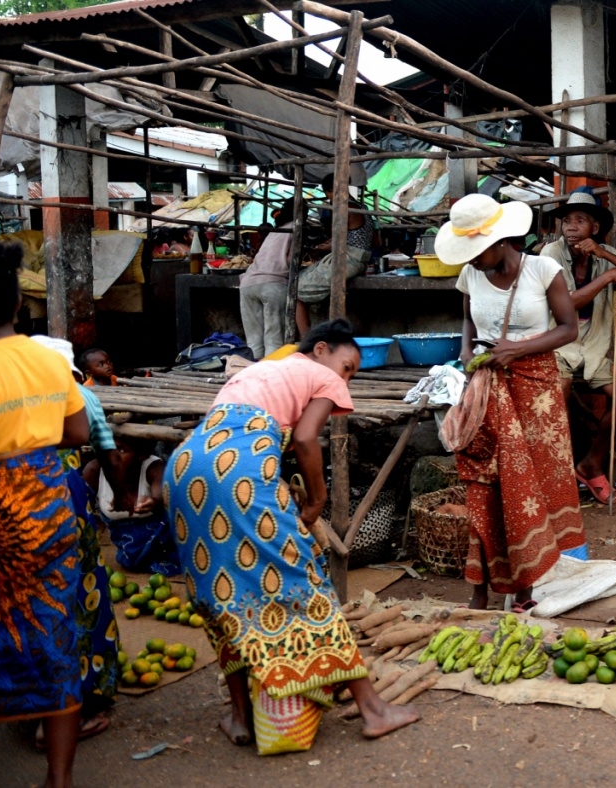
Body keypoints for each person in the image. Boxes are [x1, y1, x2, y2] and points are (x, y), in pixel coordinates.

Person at [164, 319, 416, 750]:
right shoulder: (322, 375)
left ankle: (241, 716)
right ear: (320, 350)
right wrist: (316, 499)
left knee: (221, 595)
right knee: (303, 584)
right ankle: (374, 711)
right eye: (348, 366)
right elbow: (304, 438)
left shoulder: (260, 370)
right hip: (239, 470)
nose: (347, 379)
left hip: (186, 467)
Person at [0, 242, 90, 788]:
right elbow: (77, 433)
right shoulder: (51, 360)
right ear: (16, 307)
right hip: (49, 511)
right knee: (53, 637)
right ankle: (58, 779)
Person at [438, 194, 584, 611]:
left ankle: (527, 587)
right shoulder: (470, 274)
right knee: (486, 485)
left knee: (530, 487)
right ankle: (480, 588)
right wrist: (468, 353)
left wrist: (516, 352)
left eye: (477, 250)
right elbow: (467, 320)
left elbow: (568, 329)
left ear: (501, 240)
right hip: (487, 387)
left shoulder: (543, 270)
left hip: (535, 390)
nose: (472, 259)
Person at [29, 335, 125, 748]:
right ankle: (73, 710)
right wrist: (120, 496)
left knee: (32, 603)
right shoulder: (82, 397)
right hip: (63, 505)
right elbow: (108, 453)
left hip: (15, 506)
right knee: (81, 601)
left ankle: (29, 706)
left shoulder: (13, 397)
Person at [541, 192, 616, 504]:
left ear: (595, 227)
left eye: (580, 220)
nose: (570, 227)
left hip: (593, 348)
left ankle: (591, 463)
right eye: (567, 220)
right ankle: (552, 473)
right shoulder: (549, 254)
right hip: (559, 345)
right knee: (558, 391)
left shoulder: (606, 254)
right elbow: (565, 304)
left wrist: (607, 256)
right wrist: (607, 278)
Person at [84, 436, 178, 576]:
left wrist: (153, 502)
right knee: (129, 562)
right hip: (126, 545)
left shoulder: (154, 468)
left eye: (121, 450)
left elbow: (161, 496)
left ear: (140, 455)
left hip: (161, 539)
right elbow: (80, 511)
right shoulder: (94, 470)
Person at [296, 175, 371, 336]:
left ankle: (305, 340)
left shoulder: (346, 208)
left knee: (295, 290)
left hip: (349, 259)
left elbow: (340, 240)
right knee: (305, 279)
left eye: (328, 194)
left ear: (331, 191)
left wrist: (323, 247)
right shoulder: (360, 206)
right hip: (355, 258)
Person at [240, 202, 297, 359]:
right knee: (274, 339)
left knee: (254, 341)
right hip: (273, 283)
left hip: (248, 283)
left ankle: (253, 373)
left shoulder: (275, 230)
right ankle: (270, 375)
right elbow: (293, 260)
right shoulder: (296, 228)